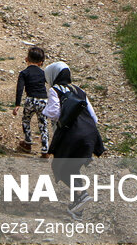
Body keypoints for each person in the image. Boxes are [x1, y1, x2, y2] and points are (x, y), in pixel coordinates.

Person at [44, 61, 104, 219]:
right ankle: (78, 209)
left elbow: (54, 113)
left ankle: (82, 194)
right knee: (73, 167)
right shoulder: (79, 90)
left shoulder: (54, 90)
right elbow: (94, 117)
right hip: (90, 134)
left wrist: (51, 113)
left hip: (72, 134)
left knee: (59, 167)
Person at [14, 46, 49, 157]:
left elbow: (20, 88)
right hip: (43, 100)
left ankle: (27, 143)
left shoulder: (24, 73)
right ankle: (45, 149)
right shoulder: (43, 73)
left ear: (26, 58)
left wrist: (17, 104)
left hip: (31, 100)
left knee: (26, 120)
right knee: (43, 124)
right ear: (41, 62)